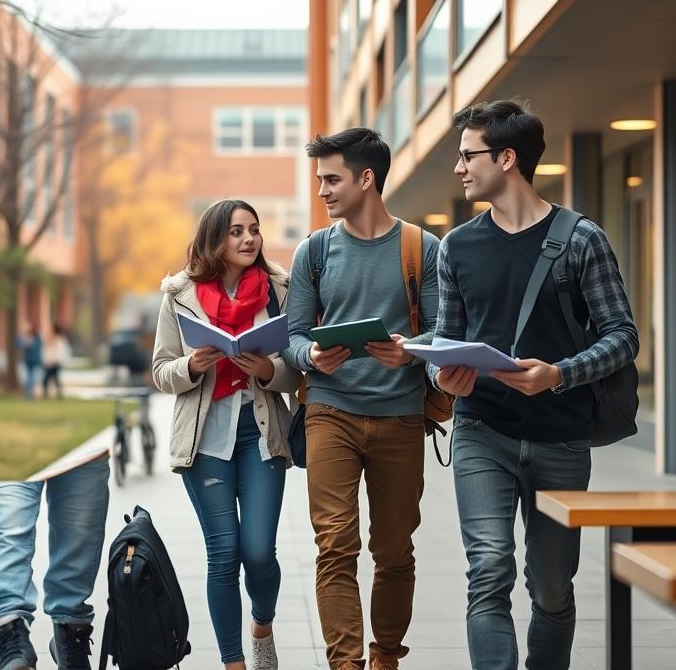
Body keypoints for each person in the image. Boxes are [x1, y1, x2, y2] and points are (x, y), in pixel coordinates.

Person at [431, 100, 639, 670]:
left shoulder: (581, 240)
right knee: (489, 570)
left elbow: (623, 336)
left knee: (551, 588)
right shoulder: (456, 247)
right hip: (481, 432)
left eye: (467, 155)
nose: (458, 168)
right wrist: (441, 373)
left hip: (562, 439)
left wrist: (559, 374)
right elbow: (446, 337)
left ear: (507, 158)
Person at [282, 128, 439, 670]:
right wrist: (310, 358)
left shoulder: (422, 248)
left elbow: (443, 333)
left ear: (366, 179)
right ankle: (345, 665)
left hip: (400, 417)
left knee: (394, 552)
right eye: (319, 179)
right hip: (330, 412)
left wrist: (411, 354)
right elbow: (295, 334)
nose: (322, 190)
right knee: (335, 546)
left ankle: (386, 657)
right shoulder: (315, 251)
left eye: (332, 179)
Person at [151, 199, 303, 670]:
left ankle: (262, 622)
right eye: (237, 231)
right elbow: (159, 370)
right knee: (224, 553)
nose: (249, 239)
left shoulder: (280, 289)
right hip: (204, 441)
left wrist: (267, 369)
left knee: (258, 552)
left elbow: (296, 370)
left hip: (259, 435)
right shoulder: (179, 294)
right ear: (216, 238)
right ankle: (234, 662)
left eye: (254, 230)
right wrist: (191, 366)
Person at [0, 456, 110, 670]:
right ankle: (11, 634)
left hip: (82, 443)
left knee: (80, 532)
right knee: (9, 526)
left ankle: (70, 635)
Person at [42, 324, 71, 399]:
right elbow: (46, 351)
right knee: (53, 379)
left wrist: (58, 360)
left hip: (55, 363)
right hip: (49, 362)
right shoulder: (49, 339)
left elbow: (61, 352)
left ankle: (54, 394)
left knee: (51, 379)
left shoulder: (59, 340)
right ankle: (54, 394)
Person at [19, 324, 43, 400]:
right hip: (28, 362)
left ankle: (30, 394)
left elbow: (38, 350)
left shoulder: (37, 339)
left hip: (34, 362)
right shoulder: (26, 338)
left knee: (32, 379)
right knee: (28, 379)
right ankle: (28, 395)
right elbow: (18, 343)